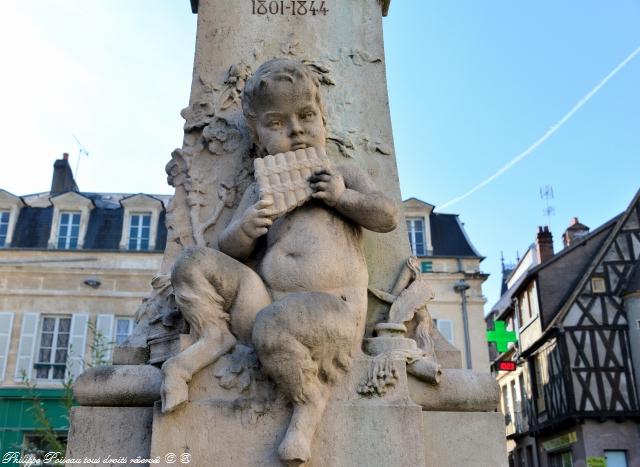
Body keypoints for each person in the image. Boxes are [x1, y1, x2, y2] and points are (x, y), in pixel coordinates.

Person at [163, 58, 398, 464]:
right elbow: (229, 249)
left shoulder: (342, 173)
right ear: (258, 137)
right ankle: (213, 337)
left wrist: (343, 198)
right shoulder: (261, 186)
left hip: (332, 311)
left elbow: (387, 216)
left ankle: (308, 404)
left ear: (324, 120)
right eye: (277, 124)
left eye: (307, 116)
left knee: (274, 324)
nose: (296, 130)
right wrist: (245, 229)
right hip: (266, 302)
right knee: (192, 262)